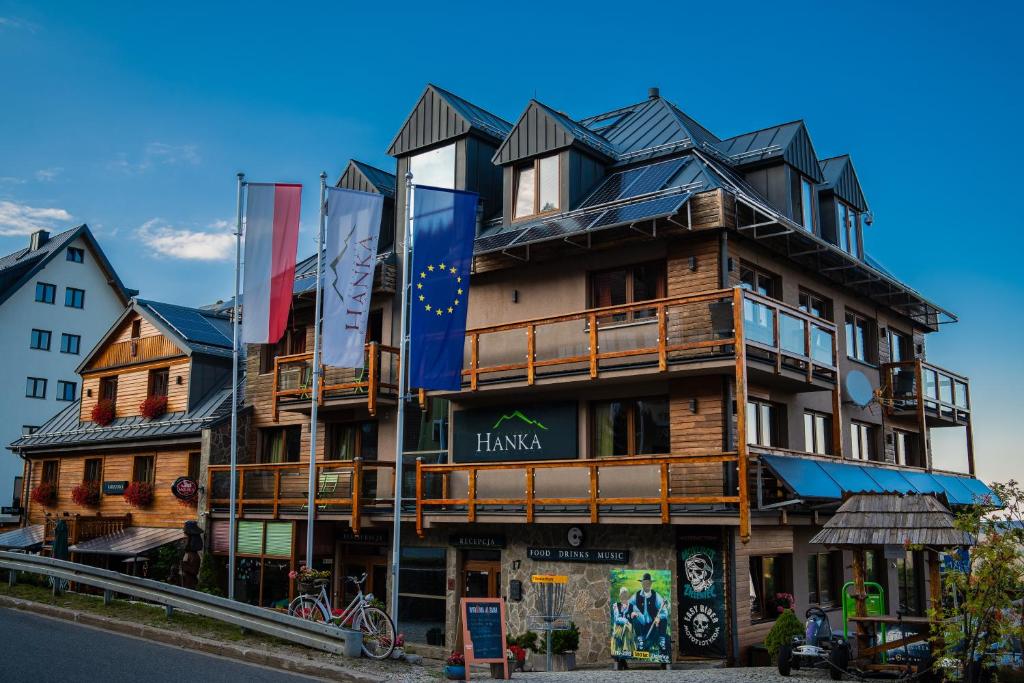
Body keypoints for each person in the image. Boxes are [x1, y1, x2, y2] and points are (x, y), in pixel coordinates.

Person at [631, 572, 668, 653]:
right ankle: (640, 642)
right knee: (634, 618)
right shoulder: (636, 595)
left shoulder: (656, 596)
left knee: (664, 619)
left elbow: (665, 611)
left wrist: (659, 617)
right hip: (641, 625)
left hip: (653, 625)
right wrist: (632, 612)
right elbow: (629, 605)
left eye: (648, 583)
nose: (646, 585)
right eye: (644, 583)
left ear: (651, 584)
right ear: (642, 584)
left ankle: (662, 643)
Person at [611, 587, 637, 656]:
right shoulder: (616, 605)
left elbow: (633, 617)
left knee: (627, 628)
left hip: (629, 630)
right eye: (622, 594)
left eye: (625, 594)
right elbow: (616, 619)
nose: (624, 596)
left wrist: (632, 616)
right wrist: (626, 621)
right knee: (626, 627)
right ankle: (625, 649)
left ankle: (626, 649)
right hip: (618, 629)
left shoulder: (631, 606)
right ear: (620, 596)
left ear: (628, 596)